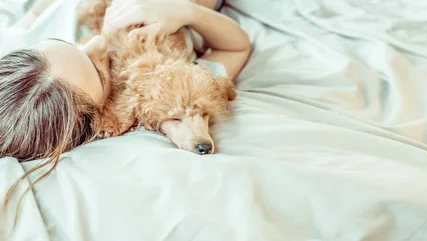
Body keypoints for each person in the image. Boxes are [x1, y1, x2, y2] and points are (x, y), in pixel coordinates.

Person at [0, 0, 251, 222]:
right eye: (99, 71)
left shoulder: (31, 50)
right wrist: (186, 11)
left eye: (65, 44)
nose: (98, 42)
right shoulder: (163, 83)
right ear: (99, 114)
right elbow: (237, 48)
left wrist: (32, 14)